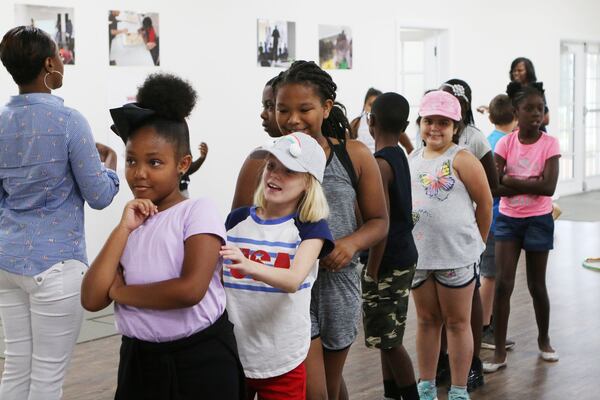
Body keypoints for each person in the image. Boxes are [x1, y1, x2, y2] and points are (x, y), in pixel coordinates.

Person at [80, 73, 244, 399]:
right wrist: (122, 229)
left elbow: (189, 290)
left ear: (183, 164)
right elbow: (92, 298)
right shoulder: (132, 224)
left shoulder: (198, 212)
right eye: (131, 161)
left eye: (154, 162)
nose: (139, 173)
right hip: (140, 363)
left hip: (200, 362)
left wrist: (123, 293)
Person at [0, 26, 120, 399]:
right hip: (56, 267)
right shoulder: (70, 121)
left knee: (16, 365)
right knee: (48, 377)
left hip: (7, 261)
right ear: (50, 63)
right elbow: (100, 195)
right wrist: (111, 164)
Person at [221, 132, 334, 400]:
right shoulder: (236, 220)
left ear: (308, 182)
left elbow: (293, 279)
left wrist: (249, 265)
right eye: (271, 166)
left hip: (283, 358)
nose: (275, 175)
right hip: (234, 352)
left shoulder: (311, 229)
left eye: (289, 171)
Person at [409, 90, 492, 400]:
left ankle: (458, 389)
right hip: (421, 258)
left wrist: (478, 243)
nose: (435, 128)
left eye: (443, 122)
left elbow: (485, 204)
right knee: (427, 322)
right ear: (420, 123)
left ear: (455, 127)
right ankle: (426, 385)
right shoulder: (413, 158)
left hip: (456, 256)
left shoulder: (462, 158)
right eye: (429, 121)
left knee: (457, 324)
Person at [483, 82, 560, 373]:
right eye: (529, 109)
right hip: (508, 220)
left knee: (536, 285)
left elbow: (549, 187)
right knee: (503, 284)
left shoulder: (550, 143)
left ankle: (544, 339)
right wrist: (531, 183)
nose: (536, 114)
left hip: (539, 219)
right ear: (516, 112)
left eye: (540, 109)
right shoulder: (505, 143)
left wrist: (512, 182)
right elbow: (494, 185)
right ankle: (499, 351)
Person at [439, 79, 497, 391]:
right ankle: (441, 361)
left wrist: (479, 237)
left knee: (469, 296)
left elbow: (492, 188)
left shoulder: (474, 139)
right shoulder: (431, 138)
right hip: (435, 236)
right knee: (436, 306)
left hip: (465, 231)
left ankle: (472, 363)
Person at [362, 93, 419, 400]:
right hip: (401, 256)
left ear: (371, 123)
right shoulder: (398, 155)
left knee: (391, 340)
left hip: (388, 261)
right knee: (385, 336)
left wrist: (371, 269)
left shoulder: (380, 164)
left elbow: (379, 225)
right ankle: (391, 394)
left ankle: (409, 395)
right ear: (405, 125)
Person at [480, 94, 517, 350]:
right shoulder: (510, 144)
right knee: (490, 277)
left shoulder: (487, 142)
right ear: (516, 118)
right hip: (499, 219)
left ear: (490, 117)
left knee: (491, 275)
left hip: (491, 219)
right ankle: (484, 328)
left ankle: (488, 324)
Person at [231, 74, 283, 209]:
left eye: (270, 106)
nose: (263, 114)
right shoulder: (259, 159)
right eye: (264, 106)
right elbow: (237, 223)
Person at [350, 88, 414, 154]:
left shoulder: (391, 125)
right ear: (364, 105)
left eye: (377, 106)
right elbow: (347, 144)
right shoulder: (357, 123)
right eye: (370, 105)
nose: (373, 109)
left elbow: (409, 148)